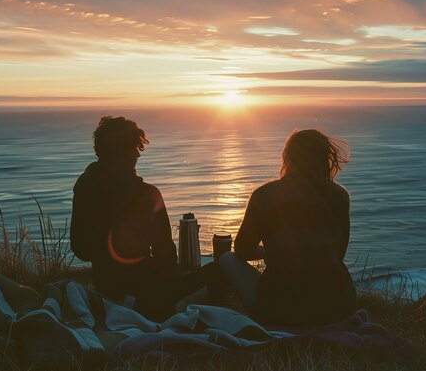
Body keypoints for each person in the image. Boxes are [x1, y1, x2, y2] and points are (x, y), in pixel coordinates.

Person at [70, 116, 217, 321]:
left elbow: (81, 250)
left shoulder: (84, 186)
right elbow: (165, 258)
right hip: (146, 295)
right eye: (135, 149)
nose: (138, 156)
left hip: (106, 291)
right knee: (220, 270)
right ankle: (176, 311)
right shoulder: (147, 195)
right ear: (127, 153)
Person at [220, 129, 356, 326]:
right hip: (338, 308)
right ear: (324, 158)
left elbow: (242, 250)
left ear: (288, 158)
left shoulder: (264, 195)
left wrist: (272, 252)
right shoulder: (339, 196)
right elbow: (337, 254)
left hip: (282, 312)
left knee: (227, 259)